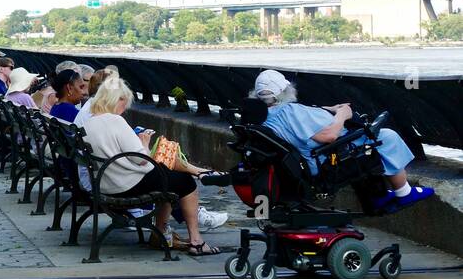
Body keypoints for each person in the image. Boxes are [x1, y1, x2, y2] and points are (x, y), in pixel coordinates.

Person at [250, 69, 434, 213]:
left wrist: (329, 109)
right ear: (284, 90)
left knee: (366, 139)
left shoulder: (265, 116)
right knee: (384, 137)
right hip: (323, 160)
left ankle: (378, 197)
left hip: (305, 162)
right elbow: (328, 136)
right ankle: (404, 193)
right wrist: (341, 115)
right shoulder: (289, 112)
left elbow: (300, 118)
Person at [83, 75, 221, 256]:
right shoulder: (115, 121)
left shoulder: (89, 122)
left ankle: (162, 233)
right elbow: (140, 159)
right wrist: (144, 142)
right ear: (118, 100)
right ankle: (196, 240)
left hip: (105, 183)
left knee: (170, 175)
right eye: (125, 103)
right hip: (126, 184)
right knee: (185, 182)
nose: (125, 109)